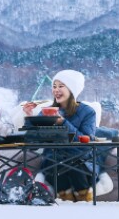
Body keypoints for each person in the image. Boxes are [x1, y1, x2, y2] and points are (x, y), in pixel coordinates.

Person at [21, 69, 100, 200]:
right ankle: (66, 199)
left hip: (81, 163)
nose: (56, 90)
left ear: (72, 89)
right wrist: (30, 118)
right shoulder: (47, 111)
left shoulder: (87, 112)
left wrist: (63, 122)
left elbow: (86, 144)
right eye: (54, 86)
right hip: (53, 163)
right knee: (54, 163)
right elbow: (33, 144)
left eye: (61, 86)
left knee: (72, 164)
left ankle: (84, 198)